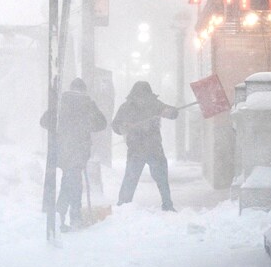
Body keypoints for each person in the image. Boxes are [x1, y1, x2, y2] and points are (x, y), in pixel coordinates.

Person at [40, 77, 106, 231]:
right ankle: (65, 216)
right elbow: (101, 124)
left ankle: (70, 217)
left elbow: (44, 121)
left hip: (61, 149)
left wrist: (60, 127)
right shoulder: (88, 103)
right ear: (84, 90)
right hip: (79, 149)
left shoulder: (60, 102)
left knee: (72, 182)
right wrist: (84, 126)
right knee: (72, 183)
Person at [112, 81, 179, 211]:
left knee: (156, 178)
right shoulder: (128, 107)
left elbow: (173, 113)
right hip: (142, 149)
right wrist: (123, 127)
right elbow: (115, 125)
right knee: (135, 178)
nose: (142, 100)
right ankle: (123, 206)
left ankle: (166, 205)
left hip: (150, 148)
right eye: (140, 96)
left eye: (144, 96)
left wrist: (169, 112)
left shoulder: (154, 105)